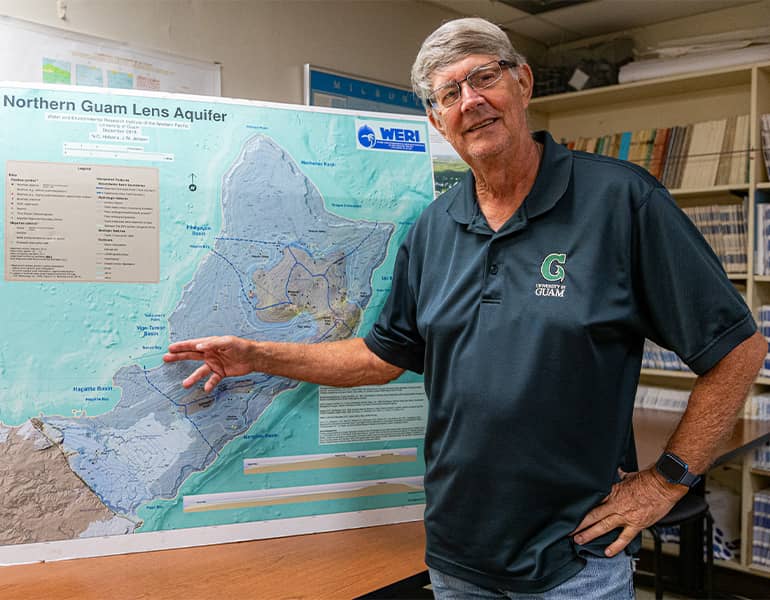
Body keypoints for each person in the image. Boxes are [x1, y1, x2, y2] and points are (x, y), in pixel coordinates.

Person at [164, 17, 766, 598]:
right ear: (435, 119)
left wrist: (665, 483)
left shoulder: (622, 202)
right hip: (457, 558)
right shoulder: (433, 229)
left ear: (522, 82)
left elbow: (739, 347)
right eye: (449, 93)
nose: (469, 100)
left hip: (573, 562)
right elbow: (382, 356)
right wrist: (256, 354)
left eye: (484, 77)